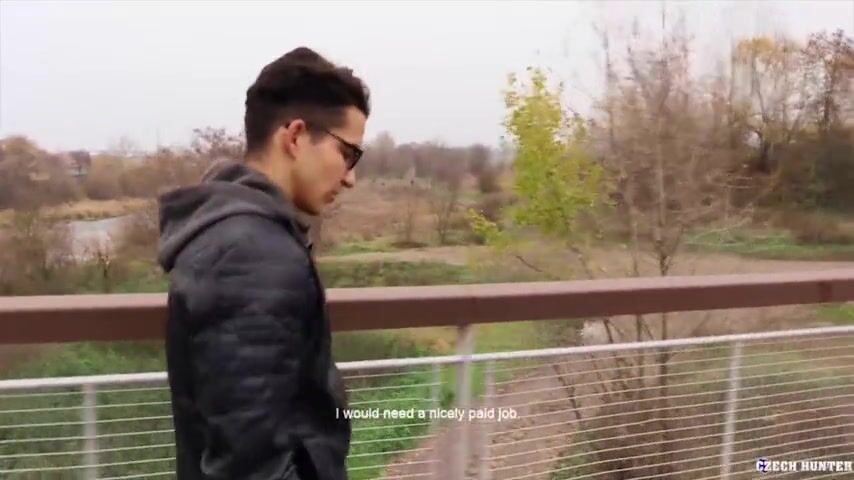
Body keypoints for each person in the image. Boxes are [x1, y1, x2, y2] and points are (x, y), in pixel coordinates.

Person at [157, 46, 370, 480]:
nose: (350, 178)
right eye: (348, 154)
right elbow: (251, 465)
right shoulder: (252, 257)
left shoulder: (239, 235)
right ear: (295, 137)